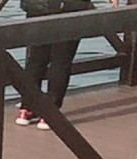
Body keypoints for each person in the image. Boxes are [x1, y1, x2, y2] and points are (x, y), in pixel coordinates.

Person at [16, 0, 120, 130]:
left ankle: (27, 108)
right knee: (61, 60)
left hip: (37, 6)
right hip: (69, 7)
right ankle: (49, 113)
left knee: (36, 59)